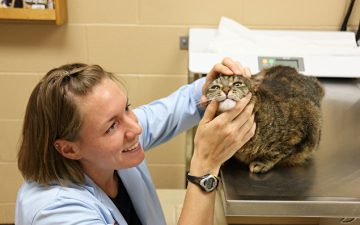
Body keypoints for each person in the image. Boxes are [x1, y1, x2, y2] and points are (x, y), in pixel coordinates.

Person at [15, 57, 255, 225]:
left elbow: (169, 110)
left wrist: (207, 88)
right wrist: (205, 166)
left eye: (127, 109)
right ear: (68, 148)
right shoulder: (56, 213)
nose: (136, 127)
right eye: (112, 126)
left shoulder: (116, 145)